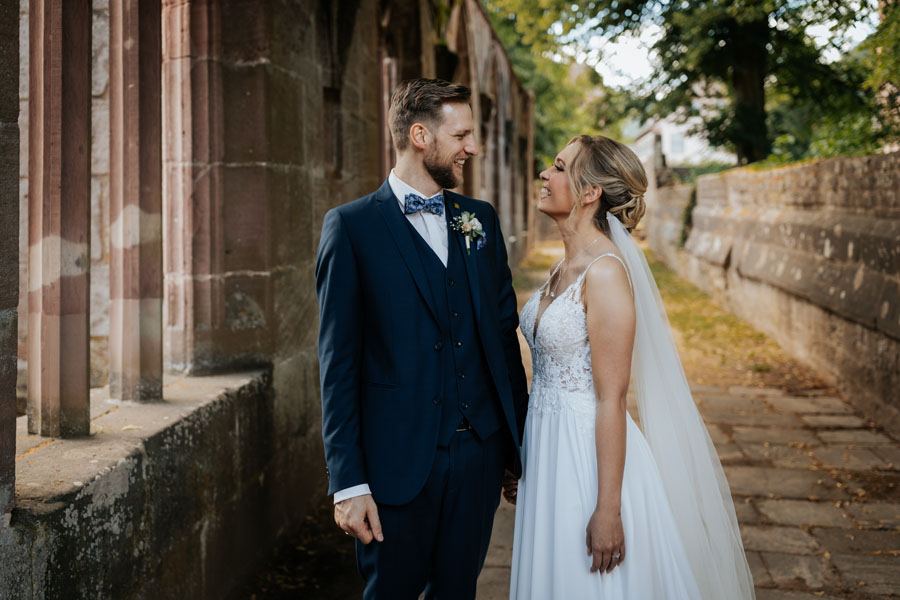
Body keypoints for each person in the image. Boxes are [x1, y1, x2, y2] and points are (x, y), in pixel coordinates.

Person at [508, 135, 756, 599]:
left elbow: (611, 397)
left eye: (559, 167)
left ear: (589, 192)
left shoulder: (603, 272)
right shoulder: (564, 269)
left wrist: (607, 508)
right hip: (546, 450)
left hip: (586, 458)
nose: (545, 174)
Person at [315, 78, 529, 599]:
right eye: (461, 136)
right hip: (395, 467)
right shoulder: (351, 228)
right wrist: (348, 483)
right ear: (419, 136)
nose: (471, 148)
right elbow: (337, 365)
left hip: (478, 459)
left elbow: (502, 341)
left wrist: (515, 449)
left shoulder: (480, 221)